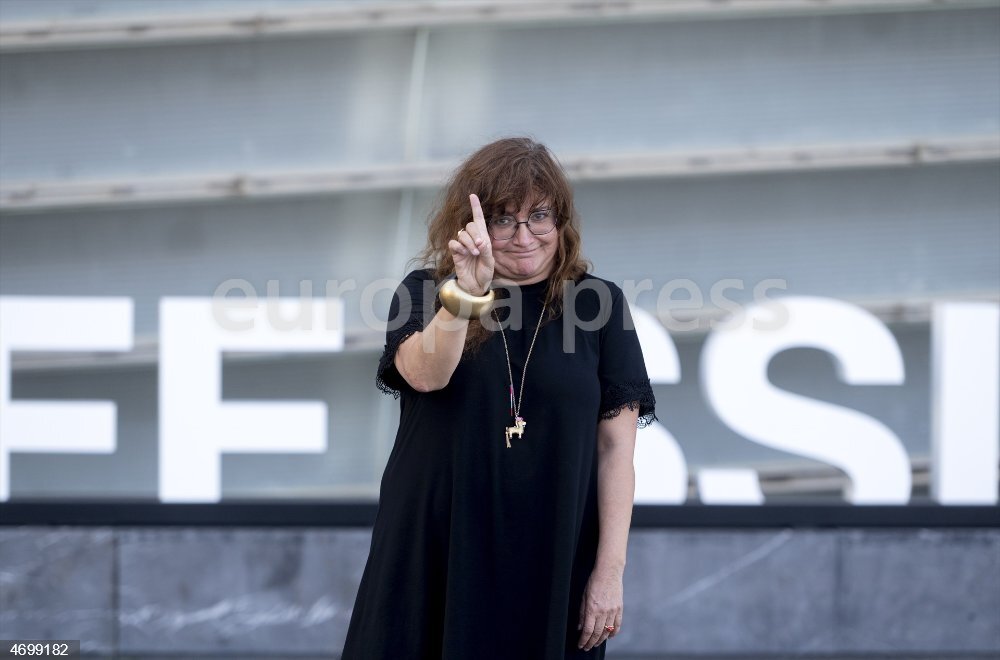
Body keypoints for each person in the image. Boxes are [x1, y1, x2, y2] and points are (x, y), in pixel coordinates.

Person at [342, 137, 655, 659]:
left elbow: (615, 452)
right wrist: (467, 294)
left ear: (561, 222)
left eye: (539, 216)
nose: (525, 235)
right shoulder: (427, 291)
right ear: (473, 228)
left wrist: (609, 573)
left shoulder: (597, 304)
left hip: (553, 554)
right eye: (503, 219)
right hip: (438, 547)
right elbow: (424, 375)